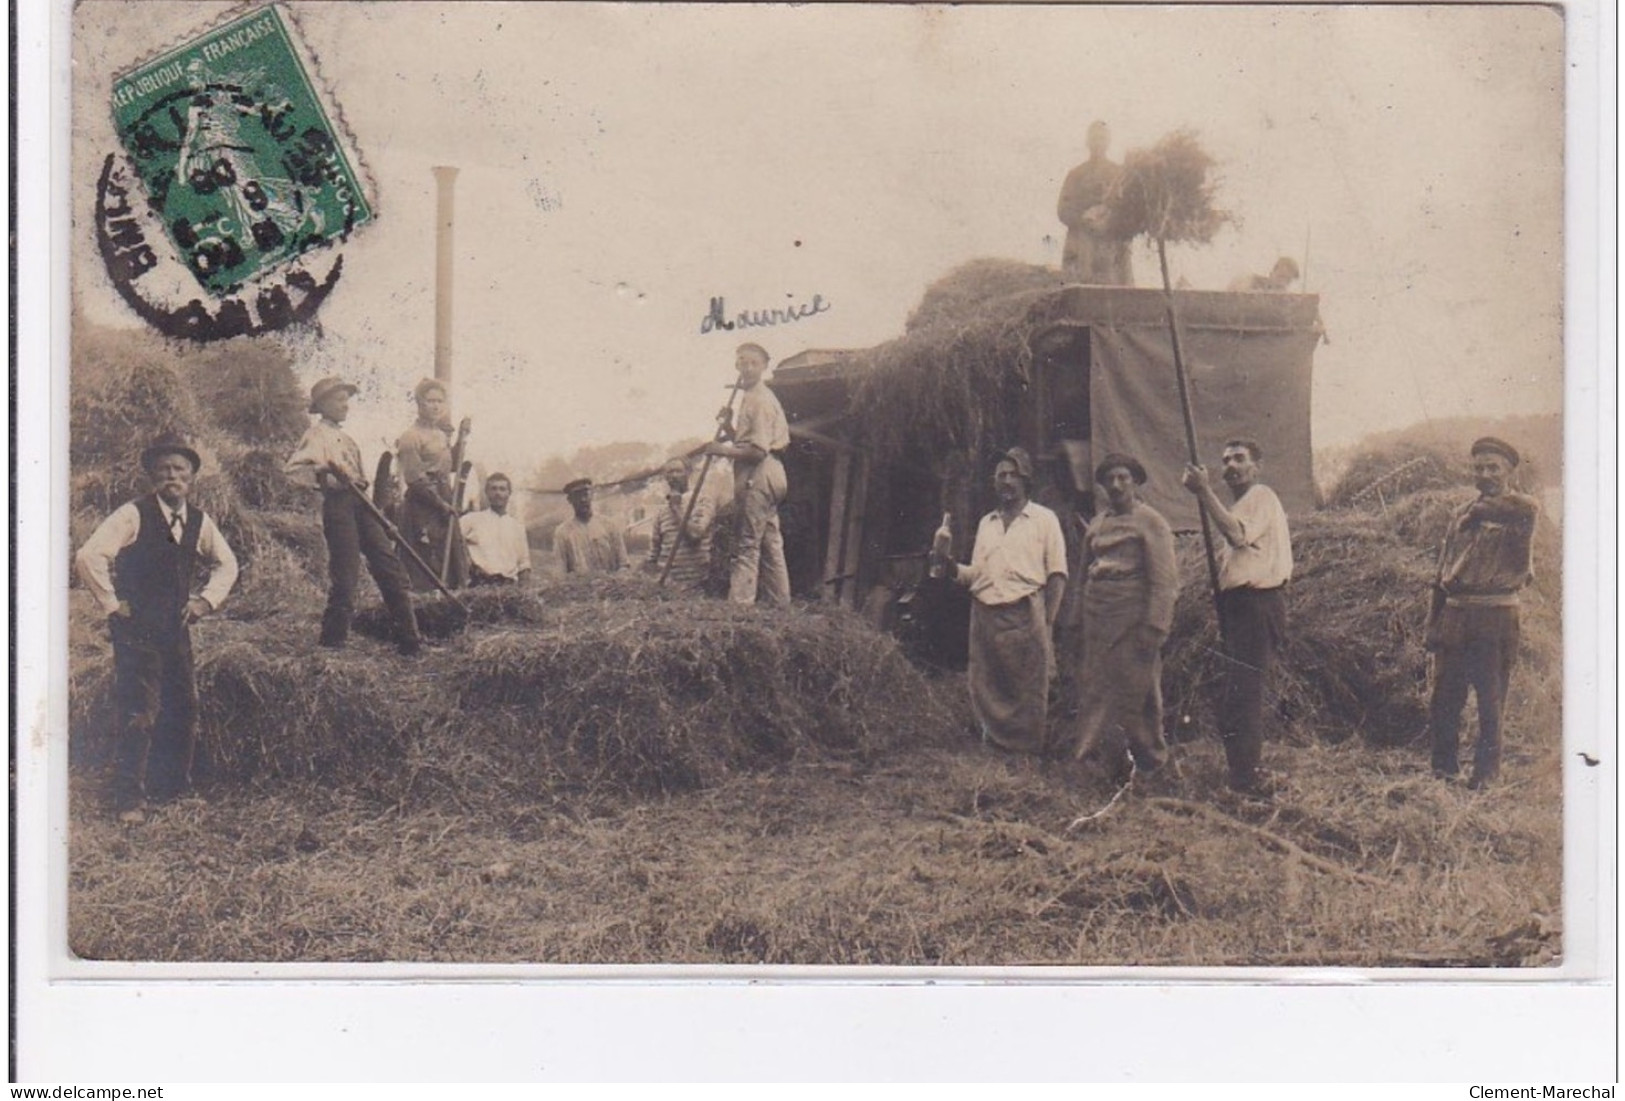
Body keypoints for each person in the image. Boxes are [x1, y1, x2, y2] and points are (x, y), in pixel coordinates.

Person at [75, 437, 239, 822]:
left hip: (176, 629)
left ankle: (172, 789)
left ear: (192, 477)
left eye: (180, 470)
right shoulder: (133, 514)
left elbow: (227, 564)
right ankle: (129, 799)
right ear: (152, 475)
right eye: (164, 469)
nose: (172, 476)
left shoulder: (198, 520)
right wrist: (113, 604)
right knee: (140, 711)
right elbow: (89, 556)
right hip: (136, 630)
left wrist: (204, 602)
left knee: (183, 705)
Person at [932, 446, 1069, 755]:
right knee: (988, 686)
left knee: (1026, 688)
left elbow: (1058, 574)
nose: (1006, 481)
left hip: (1025, 613)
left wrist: (1047, 623)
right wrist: (949, 563)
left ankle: (1026, 752)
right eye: (1000, 476)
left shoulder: (1044, 520)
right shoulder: (987, 523)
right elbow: (976, 575)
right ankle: (994, 749)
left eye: (1012, 475)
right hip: (985, 617)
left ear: (1026, 480)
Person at [1182, 438, 1293, 795]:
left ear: (1256, 466)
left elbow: (1236, 534)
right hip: (1240, 607)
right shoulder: (1242, 505)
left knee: (1243, 693)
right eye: (1226, 460)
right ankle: (1240, 773)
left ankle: (1246, 780)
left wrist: (1203, 492)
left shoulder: (1262, 496)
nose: (1230, 466)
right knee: (1235, 692)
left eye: (1239, 459)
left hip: (1258, 604)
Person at [1425, 437, 1538, 789]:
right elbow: (1440, 577)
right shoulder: (1459, 515)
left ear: (1509, 471)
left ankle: (1486, 776)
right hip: (1456, 615)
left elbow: (1520, 508)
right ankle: (1443, 770)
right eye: (1478, 467)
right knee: (1445, 698)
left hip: (1496, 615)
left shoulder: (1521, 511)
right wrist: (1433, 625)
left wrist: (1478, 511)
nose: (1484, 473)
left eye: (1493, 467)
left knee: (1491, 700)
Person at [284, 377, 423, 657]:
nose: (345, 405)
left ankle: (410, 640)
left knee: (388, 565)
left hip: (363, 505)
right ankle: (332, 644)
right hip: (339, 507)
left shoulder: (348, 439)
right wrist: (324, 471)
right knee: (346, 575)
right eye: (339, 400)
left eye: (347, 399)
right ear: (322, 405)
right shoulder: (316, 435)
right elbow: (293, 472)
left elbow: (361, 478)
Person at [1066, 453, 1179, 785]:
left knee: (1140, 691)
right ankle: (1092, 759)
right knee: (1095, 689)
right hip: (1098, 619)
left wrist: (1155, 627)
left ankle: (1150, 762)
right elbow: (1082, 575)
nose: (1116, 486)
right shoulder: (1097, 525)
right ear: (1101, 486)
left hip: (1133, 621)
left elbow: (1164, 580)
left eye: (1123, 478)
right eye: (1109, 480)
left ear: (1135, 482)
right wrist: (1074, 621)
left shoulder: (1151, 522)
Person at [707, 342, 791, 606]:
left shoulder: (760, 399)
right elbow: (746, 441)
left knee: (747, 544)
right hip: (770, 473)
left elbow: (757, 451)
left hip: (759, 472)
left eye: (754, 363)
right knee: (770, 541)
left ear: (764, 366)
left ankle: (740, 608)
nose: (748, 367)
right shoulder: (751, 397)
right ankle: (781, 604)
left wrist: (721, 450)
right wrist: (729, 427)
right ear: (736, 365)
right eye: (743, 362)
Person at [396, 378, 468, 591]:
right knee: (427, 555)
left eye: (440, 401)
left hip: (444, 497)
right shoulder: (411, 436)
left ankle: (449, 601)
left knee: (450, 554)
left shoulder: (439, 434)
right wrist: (440, 504)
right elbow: (415, 479)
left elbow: (448, 466)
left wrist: (461, 439)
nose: (436, 405)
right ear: (419, 404)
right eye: (430, 400)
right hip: (423, 505)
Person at [1056, 120, 1134, 286]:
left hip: (1112, 247)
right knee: (1080, 292)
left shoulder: (1119, 173)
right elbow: (1063, 209)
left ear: (1108, 142)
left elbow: (1130, 211)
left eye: (1102, 138)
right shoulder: (1076, 174)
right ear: (1087, 142)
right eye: (1094, 138)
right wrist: (1083, 218)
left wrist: (1110, 221)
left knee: (1118, 294)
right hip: (1082, 246)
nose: (1098, 143)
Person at [647, 456, 716, 591]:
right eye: (669, 472)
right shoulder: (661, 510)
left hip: (697, 583)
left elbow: (695, 535)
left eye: (678, 471)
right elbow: (654, 552)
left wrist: (677, 508)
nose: (673, 476)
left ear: (688, 473)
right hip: (668, 584)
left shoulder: (703, 500)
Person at [460, 472, 532, 586]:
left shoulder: (517, 527)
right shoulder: (470, 520)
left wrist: (525, 592)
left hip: (508, 587)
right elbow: (455, 544)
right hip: (479, 585)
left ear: (509, 493)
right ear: (486, 492)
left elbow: (524, 564)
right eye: (493, 489)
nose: (498, 493)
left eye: (502, 489)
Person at [555, 476, 629, 575]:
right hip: (579, 588)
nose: (583, 500)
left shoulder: (609, 525)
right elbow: (561, 572)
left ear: (592, 495)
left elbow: (624, 564)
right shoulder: (563, 532)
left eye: (585, 494)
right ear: (570, 500)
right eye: (577, 496)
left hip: (611, 586)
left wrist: (617, 579)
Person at [1227, 256, 1301, 293]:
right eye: (1281, 276)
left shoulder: (1287, 299)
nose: (1283, 283)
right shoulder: (1252, 281)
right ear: (1272, 273)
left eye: (1288, 280)